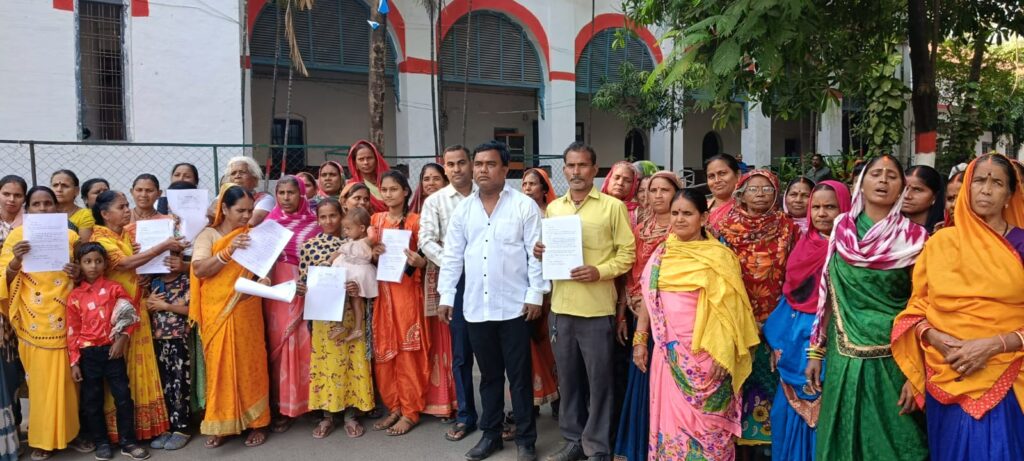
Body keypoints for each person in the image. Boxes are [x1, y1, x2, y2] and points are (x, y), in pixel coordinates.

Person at [892, 154, 1024, 460]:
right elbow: (917, 310)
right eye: (978, 181)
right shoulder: (940, 243)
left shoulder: (1020, 244)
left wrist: (994, 345)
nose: (986, 190)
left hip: (1008, 373)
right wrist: (937, 339)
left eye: (997, 183)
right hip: (946, 370)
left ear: (1009, 195)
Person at [804, 155, 929, 461]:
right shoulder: (842, 229)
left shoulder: (916, 239)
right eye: (875, 174)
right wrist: (816, 351)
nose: (883, 180)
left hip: (896, 358)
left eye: (892, 176)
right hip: (843, 354)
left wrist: (917, 375)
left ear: (902, 188)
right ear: (861, 183)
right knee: (842, 436)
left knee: (898, 443)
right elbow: (829, 293)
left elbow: (923, 306)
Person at [438, 141, 547, 461]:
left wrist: (535, 294)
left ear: (505, 169)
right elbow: (452, 257)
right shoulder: (464, 210)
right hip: (476, 307)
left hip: (515, 307)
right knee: (488, 376)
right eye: (478, 164)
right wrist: (447, 296)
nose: (482, 169)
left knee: (519, 377)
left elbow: (535, 254)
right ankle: (491, 435)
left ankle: (526, 439)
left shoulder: (523, 206)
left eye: (490, 164)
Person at [633, 189, 761, 460]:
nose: (679, 219)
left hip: (710, 357)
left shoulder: (720, 257)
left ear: (703, 218)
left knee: (711, 434)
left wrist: (723, 353)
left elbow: (733, 312)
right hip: (669, 355)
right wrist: (640, 339)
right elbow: (649, 296)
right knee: (672, 427)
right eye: (675, 213)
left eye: (687, 213)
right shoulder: (662, 254)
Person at [536, 142, 635, 461]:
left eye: (582, 165)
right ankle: (573, 440)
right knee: (569, 382)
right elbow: (550, 254)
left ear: (594, 169)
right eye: (571, 165)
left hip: (596, 309)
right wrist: (541, 252)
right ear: (564, 169)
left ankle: (597, 447)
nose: (576, 171)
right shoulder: (555, 209)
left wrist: (599, 271)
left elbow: (627, 254)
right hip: (562, 309)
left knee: (599, 383)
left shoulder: (612, 207)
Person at [763, 180, 852, 461]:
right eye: (816, 207)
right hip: (792, 338)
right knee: (785, 414)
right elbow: (789, 296)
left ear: (845, 208)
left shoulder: (852, 250)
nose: (822, 213)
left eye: (830, 207)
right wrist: (777, 342)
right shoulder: (803, 245)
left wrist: (819, 345)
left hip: (834, 337)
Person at [710, 169, 798, 450]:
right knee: (736, 385)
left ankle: (772, 448)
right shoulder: (724, 228)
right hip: (736, 320)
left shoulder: (787, 228)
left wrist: (773, 323)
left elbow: (794, 276)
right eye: (753, 189)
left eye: (767, 189)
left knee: (772, 384)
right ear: (741, 194)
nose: (760, 194)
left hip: (777, 320)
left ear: (776, 193)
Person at [91, 191, 185, 443]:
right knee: (121, 371)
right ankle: (122, 431)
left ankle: (146, 427)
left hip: (136, 307)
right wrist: (163, 246)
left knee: (140, 366)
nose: (127, 210)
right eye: (121, 207)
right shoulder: (101, 239)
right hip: (116, 314)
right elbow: (123, 264)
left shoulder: (123, 235)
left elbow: (133, 266)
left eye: (126, 206)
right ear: (105, 214)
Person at [0, 186, 80, 460]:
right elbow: (3, 278)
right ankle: (42, 440)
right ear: (28, 208)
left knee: (70, 383)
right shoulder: (17, 236)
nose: (43, 208)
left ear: (57, 207)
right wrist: (15, 261)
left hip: (66, 319)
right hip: (32, 322)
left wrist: (77, 272)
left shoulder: (70, 236)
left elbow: (87, 272)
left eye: (48, 203)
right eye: (37, 204)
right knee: (40, 385)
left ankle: (71, 434)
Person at [190, 185, 271, 448]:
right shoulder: (208, 235)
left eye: (250, 210)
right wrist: (228, 251)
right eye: (240, 211)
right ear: (224, 209)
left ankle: (258, 422)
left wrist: (265, 280)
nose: (247, 216)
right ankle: (221, 423)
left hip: (247, 307)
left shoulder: (254, 234)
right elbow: (200, 269)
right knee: (220, 368)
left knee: (250, 364)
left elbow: (262, 269)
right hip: (216, 311)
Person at [613, 171, 683, 461]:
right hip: (637, 318)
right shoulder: (640, 229)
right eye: (652, 190)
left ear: (676, 193)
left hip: (671, 322)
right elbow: (628, 274)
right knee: (641, 379)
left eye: (664, 190)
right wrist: (622, 313)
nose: (657, 196)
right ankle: (640, 447)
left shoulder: (682, 230)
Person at [67, 242, 151, 461]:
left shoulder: (115, 289)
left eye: (98, 261)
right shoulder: (75, 296)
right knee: (92, 401)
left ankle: (128, 442)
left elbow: (130, 315)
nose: (93, 266)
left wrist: (122, 340)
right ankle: (101, 442)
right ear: (79, 264)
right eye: (87, 261)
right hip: (88, 355)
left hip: (113, 351)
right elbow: (72, 331)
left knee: (123, 397)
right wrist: (74, 362)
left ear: (105, 264)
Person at [418, 145, 480, 442]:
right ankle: (466, 416)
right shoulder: (436, 201)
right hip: (457, 280)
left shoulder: (489, 194)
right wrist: (457, 262)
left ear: (471, 164)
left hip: (492, 279)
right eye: (450, 164)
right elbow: (426, 241)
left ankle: (496, 417)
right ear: (445, 168)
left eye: (461, 163)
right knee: (461, 353)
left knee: (494, 353)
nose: (456, 169)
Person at [300, 200, 374, 440]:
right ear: (317, 219)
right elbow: (305, 280)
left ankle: (351, 414)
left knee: (351, 361)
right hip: (323, 315)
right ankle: (327, 415)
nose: (328, 221)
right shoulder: (309, 246)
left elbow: (369, 272)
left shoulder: (354, 243)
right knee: (327, 363)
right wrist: (304, 288)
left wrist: (355, 287)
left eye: (333, 215)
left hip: (351, 314)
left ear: (342, 217)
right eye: (323, 216)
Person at [369, 170, 429, 436]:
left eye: (394, 189)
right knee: (385, 353)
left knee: (407, 354)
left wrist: (420, 261)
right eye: (384, 189)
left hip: (407, 294)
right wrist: (374, 252)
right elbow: (369, 256)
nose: (389, 194)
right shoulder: (376, 220)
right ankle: (393, 407)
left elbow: (425, 256)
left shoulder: (416, 221)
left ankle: (410, 411)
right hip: (383, 294)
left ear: (405, 191)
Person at [263, 176, 321, 431]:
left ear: (302, 195)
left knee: (307, 344)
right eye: (281, 192)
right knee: (281, 344)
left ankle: (311, 403)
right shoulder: (269, 224)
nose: (286, 198)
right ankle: (283, 407)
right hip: (277, 289)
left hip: (308, 288)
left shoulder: (315, 224)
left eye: (291, 193)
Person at [144, 244, 193, 451]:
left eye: (173, 256)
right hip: (157, 339)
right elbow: (148, 308)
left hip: (178, 338)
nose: (168, 260)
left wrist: (166, 306)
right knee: (163, 383)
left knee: (179, 383)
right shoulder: (153, 282)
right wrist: (149, 304)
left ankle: (182, 427)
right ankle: (167, 426)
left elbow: (192, 309)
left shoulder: (186, 280)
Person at [520, 168, 560, 413]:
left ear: (544, 189)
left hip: (552, 288)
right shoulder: (518, 213)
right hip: (524, 287)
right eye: (524, 184)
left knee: (550, 343)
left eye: (532, 184)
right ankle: (532, 401)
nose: (527, 188)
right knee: (527, 346)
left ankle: (557, 398)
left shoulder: (554, 215)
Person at [225, 156, 274, 226]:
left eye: (242, 172)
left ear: (255, 179)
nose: (237, 176)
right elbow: (210, 217)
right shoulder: (222, 197)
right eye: (233, 173)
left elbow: (249, 223)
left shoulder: (265, 199)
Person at [346, 141, 392, 213]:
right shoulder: (351, 185)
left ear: (377, 160)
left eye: (369, 158)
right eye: (361, 159)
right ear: (355, 164)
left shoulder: (390, 181)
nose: (366, 162)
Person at [50, 170, 93, 240]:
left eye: (65, 186)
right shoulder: (44, 212)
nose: (59, 189)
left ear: (76, 190)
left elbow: (84, 244)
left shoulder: (85, 215)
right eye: (55, 185)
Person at [902, 165, 946, 233]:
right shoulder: (887, 228)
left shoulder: (945, 232)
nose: (906, 195)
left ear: (935, 196)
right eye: (903, 189)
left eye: (917, 190)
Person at [704, 154, 741, 228]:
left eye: (722, 173)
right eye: (711, 176)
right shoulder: (700, 208)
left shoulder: (748, 209)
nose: (717, 180)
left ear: (738, 175)